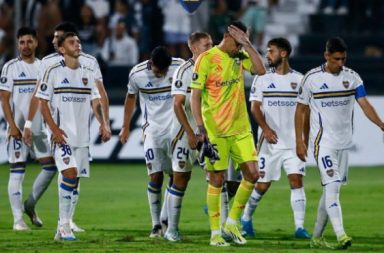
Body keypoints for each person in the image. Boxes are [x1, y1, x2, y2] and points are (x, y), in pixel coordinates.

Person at [295, 37, 384, 249]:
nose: (341, 63)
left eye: (343, 59)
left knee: (330, 192)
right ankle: (341, 235)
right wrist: (300, 141)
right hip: (323, 144)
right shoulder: (311, 79)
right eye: (336, 59)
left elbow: (364, 104)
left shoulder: (352, 78)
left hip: (344, 145)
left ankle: (316, 238)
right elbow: (301, 111)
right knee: (333, 187)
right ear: (326, 56)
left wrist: (381, 124)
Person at [24, 22, 111, 232]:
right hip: (58, 131)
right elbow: (40, 97)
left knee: (73, 175)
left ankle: (66, 219)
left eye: (59, 37)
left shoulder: (89, 66)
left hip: (81, 133)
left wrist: (104, 123)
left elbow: (98, 97)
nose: (54, 41)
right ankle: (62, 224)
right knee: (67, 172)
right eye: (55, 38)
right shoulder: (49, 66)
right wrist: (35, 124)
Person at [190, 20, 266, 246]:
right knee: (216, 180)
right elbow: (195, 96)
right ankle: (215, 233)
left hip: (241, 129)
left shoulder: (241, 56)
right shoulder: (207, 59)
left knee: (253, 175)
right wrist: (200, 128)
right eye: (241, 40)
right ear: (229, 35)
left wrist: (248, 45)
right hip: (216, 131)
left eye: (245, 40)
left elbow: (261, 70)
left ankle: (231, 223)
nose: (242, 45)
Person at [241, 38, 311, 239]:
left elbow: (306, 111)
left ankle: (299, 227)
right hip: (269, 143)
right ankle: (246, 218)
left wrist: (304, 139)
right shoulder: (262, 78)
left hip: (293, 143)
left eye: (271, 51)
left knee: (296, 180)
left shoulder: (300, 80)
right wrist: (266, 129)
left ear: (283, 54)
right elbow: (254, 108)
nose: (267, 55)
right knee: (262, 185)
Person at [119, 46, 184, 238]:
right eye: (158, 71)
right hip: (152, 132)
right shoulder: (137, 74)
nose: (162, 74)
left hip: (176, 130)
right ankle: (156, 224)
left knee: (176, 176)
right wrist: (125, 126)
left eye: (165, 70)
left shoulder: (179, 67)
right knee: (155, 177)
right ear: (151, 63)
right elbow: (130, 98)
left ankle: (166, 219)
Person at [0, 27, 57, 231]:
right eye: (22, 42)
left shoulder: (44, 68)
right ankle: (17, 220)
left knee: (50, 167)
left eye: (29, 42)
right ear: (18, 44)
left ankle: (29, 205)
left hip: (39, 130)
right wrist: (13, 126)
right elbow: (4, 100)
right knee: (17, 172)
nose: (25, 46)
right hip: (16, 130)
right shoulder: (10, 67)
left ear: (36, 43)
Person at [164, 32, 213, 242]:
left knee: (217, 178)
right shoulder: (183, 71)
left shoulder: (216, 67)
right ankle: (171, 229)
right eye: (206, 45)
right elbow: (177, 105)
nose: (211, 48)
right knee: (181, 178)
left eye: (212, 44)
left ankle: (220, 230)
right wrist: (191, 133)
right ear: (193, 48)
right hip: (185, 133)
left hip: (210, 133)